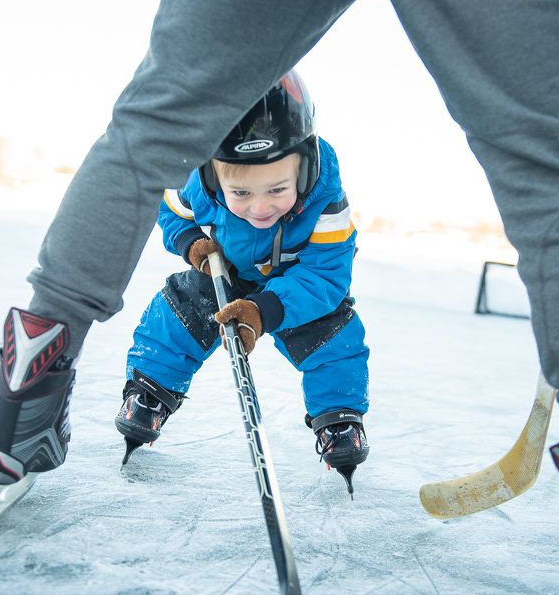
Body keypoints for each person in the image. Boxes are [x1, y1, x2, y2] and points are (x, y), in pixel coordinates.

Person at [0, 0, 559, 592]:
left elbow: (324, 271)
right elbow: (185, 211)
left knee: (148, 131)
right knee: (551, 191)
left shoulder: (326, 196)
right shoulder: (212, 193)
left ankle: (30, 377)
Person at [113, 70, 369, 493]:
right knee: (178, 308)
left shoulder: (326, 203)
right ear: (214, 178)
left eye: (276, 189)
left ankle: (338, 419)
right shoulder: (197, 184)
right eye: (242, 195)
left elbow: (326, 275)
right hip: (228, 272)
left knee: (336, 335)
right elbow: (169, 209)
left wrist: (265, 310)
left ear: (305, 170)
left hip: (296, 286)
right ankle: (150, 392)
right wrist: (191, 242)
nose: (260, 207)